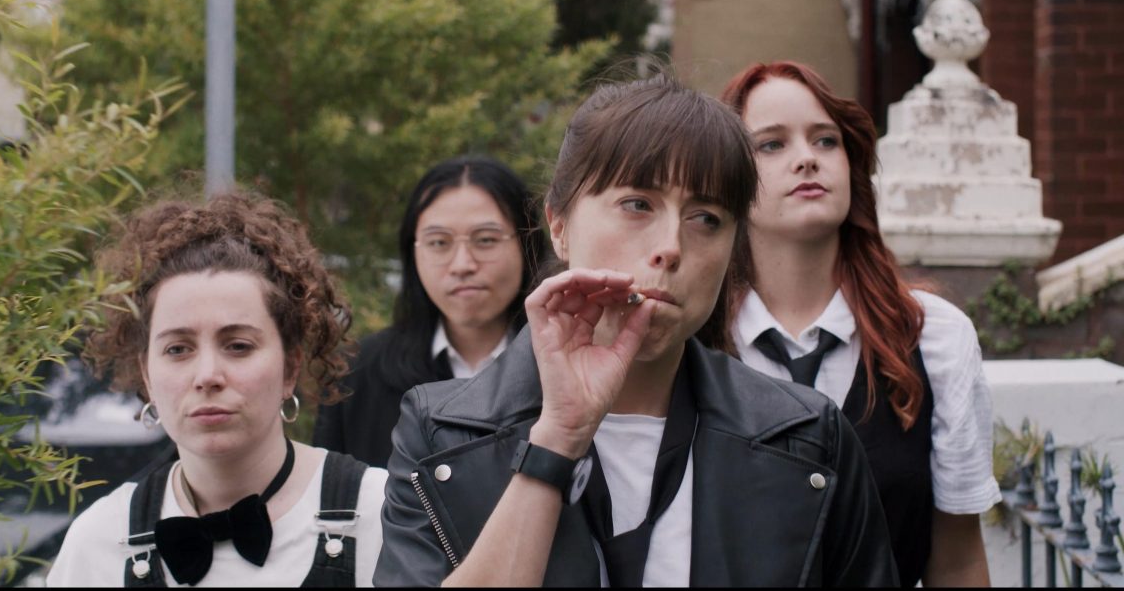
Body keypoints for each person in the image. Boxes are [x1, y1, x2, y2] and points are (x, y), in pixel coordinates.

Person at [374, 71, 899, 587]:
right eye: (637, 204)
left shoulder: (807, 437)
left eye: (706, 218)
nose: (671, 245)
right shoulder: (441, 432)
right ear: (558, 225)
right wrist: (558, 437)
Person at [718, 61, 1001, 587]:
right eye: (771, 145)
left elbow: (958, 561)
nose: (806, 159)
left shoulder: (933, 335)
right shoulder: (695, 343)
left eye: (825, 141)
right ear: (728, 178)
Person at [47, 192, 387, 587]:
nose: (207, 374)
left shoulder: (381, 514)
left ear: (291, 365)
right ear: (146, 373)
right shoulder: (100, 541)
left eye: (238, 346)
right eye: (178, 349)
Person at [313, 155, 545, 467]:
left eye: (486, 239)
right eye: (439, 243)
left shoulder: (563, 366)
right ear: (413, 252)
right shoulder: (357, 377)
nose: (462, 264)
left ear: (528, 244)